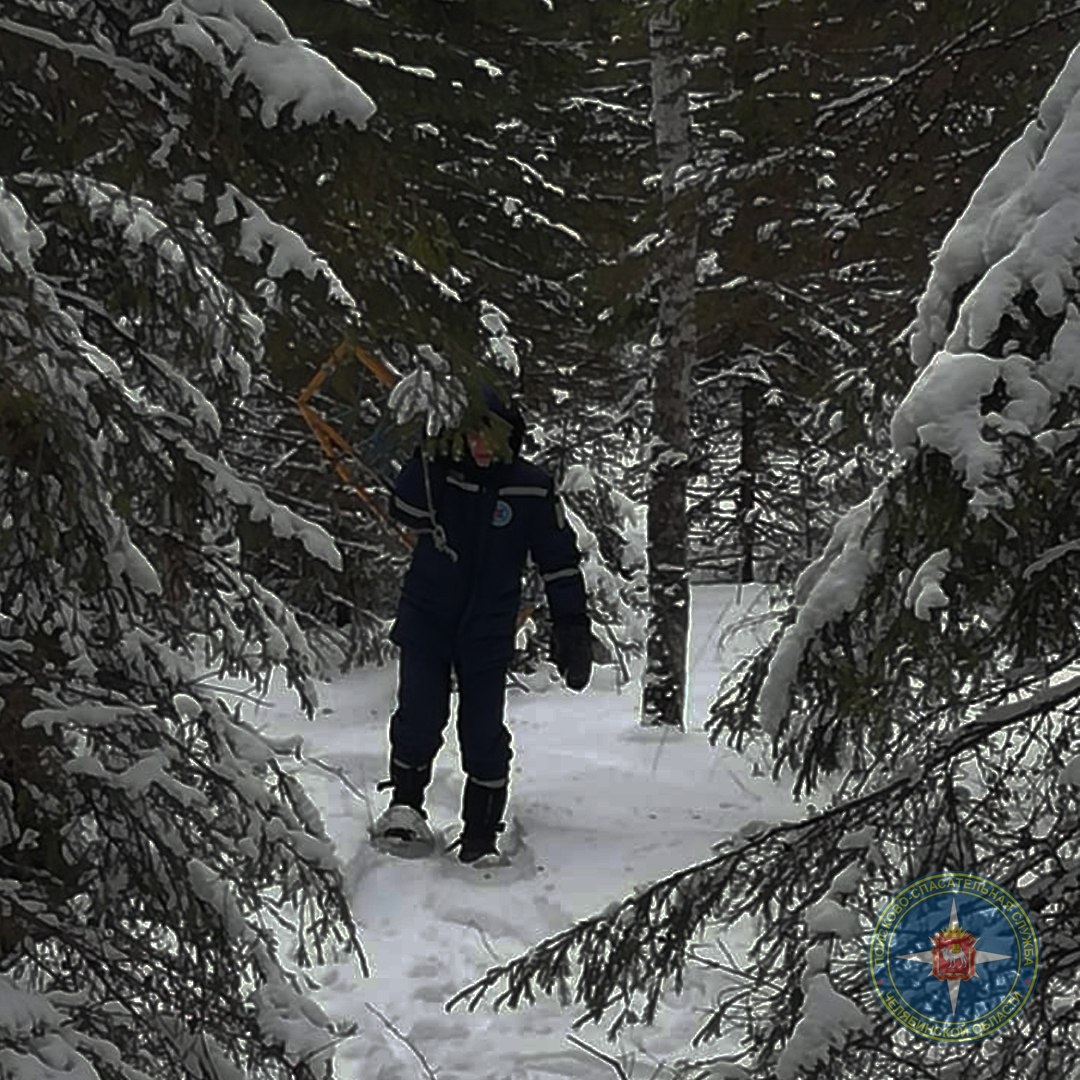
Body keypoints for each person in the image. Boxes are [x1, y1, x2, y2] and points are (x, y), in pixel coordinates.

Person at [371, 386, 592, 866]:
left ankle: (480, 832)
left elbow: (558, 560)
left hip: (488, 627)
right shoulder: (441, 475)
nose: (480, 446)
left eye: (491, 436)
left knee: (483, 731)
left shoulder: (529, 486)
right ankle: (405, 808)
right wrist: (427, 455)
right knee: (418, 716)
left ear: (511, 436)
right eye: (471, 436)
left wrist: (572, 623)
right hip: (428, 617)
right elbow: (403, 509)